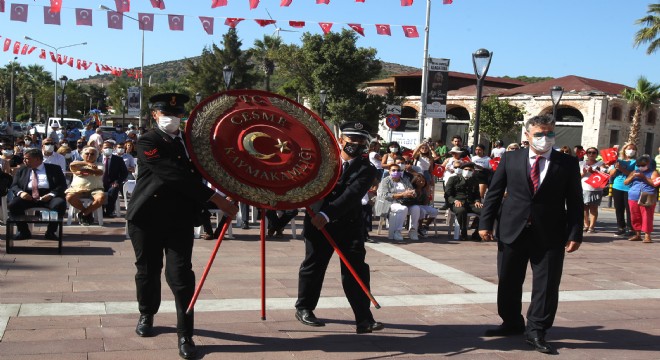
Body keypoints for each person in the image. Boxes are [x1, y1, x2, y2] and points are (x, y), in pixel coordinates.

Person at [127, 93, 238, 359]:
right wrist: (216, 199)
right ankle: (147, 313)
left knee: (181, 276)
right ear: (155, 114)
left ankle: (185, 333)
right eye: (167, 114)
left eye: (178, 115)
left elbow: (214, 166)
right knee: (148, 270)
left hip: (179, 219)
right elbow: (172, 174)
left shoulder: (192, 143)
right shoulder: (147, 140)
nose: (173, 119)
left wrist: (235, 187)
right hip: (147, 217)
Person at [479, 115, 583, 354]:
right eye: (539, 134)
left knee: (546, 285)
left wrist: (575, 233)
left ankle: (537, 330)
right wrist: (485, 223)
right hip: (512, 229)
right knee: (508, 279)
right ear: (527, 135)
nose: (544, 138)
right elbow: (494, 193)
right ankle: (511, 321)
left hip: (550, 233)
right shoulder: (510, 158)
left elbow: (575, 201)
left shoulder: (566, 163)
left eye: (549, 133)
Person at [295, 121, 382, 334]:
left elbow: (351, 195)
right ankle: (304, 308)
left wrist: (327, 214)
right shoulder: (322, 163)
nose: (357, 144)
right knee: (314, 266)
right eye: (353, 139)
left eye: (362, 140)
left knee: (356, 270)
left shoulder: (367, 169)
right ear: (341, 140)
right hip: (317, 223)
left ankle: (364, 318)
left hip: (348, 225)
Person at [8, 148, 68, 240]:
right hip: (28, 196)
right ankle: (23, 231)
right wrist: (21, 193)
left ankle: (51, 232)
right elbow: (14, 185)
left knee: (59, 204)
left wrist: (51, 194)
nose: (24, 161)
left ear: (37, 159)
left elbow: (62, 185)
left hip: (48, 195)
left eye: (27, 158)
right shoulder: (22, 169)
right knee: (13, 205)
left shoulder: (54, 169)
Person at [375, 162, 420, 241]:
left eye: (398, 170)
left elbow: (411, 189)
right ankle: (397, 231)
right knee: (403, 209)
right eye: (393, 170)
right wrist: (402, 194)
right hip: (390, 202)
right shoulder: (385, 181)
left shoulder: (405, 180)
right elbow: (385, 195)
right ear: (389, 171)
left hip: (405, 201)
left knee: (416, 208)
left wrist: (412, 193)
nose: (396, 172)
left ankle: (413, 230)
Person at [65, 147, 106, 226]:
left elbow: (99, 172)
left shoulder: (100, 164)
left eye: (92, 154)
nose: (89, 156)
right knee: (69, 197)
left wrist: (86, 170)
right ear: (82, 155)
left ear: (97, 156)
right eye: (87, 154)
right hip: (77, 189)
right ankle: (87, 212)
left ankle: (84, 213)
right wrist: (88, 164)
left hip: (95, 189)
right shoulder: (77, 163)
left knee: (101, 198)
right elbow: (72, 165)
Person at [624, 155, 658, 243]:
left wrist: (644, 177)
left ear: (648, 164)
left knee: (647, 216)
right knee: (635, 216)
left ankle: (647, 236)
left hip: (647, 195)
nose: (640, 167)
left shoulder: (654, 172)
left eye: (643, 165)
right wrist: (632, 176)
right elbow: (626, 182)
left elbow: (655, 183)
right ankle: (637, 234)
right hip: (633, 196)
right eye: (639, 165)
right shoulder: (634, 171)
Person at [445, 162, 482, 241]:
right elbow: (447, 194)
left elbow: (477, 194)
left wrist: (477, 201)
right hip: (457, 203)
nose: (468, 171)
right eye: (466, 169)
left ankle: (477, 233)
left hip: (471, 203)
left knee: (485, 211)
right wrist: (454, 201)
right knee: (461, 210)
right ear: (462, 170)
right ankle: (463, 232)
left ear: (473, 171)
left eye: (470, 170)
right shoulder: (454, 179)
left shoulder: (474, 180)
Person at [608, 143, 637, 236]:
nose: (631, 151)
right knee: (619, 208)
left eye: (633, 149)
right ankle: (621, 227)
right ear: (624, 150)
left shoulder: (636, 162)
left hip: (630, 187)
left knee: (629, 209)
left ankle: (631, 228)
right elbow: (611, 173)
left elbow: (632, 174)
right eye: (629, 149)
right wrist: (616, 168)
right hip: (617, 186)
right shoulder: (618, 160)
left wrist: (622, 169)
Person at [100, 141, 128, 218]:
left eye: (109, 148)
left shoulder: (118, 159)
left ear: (113, 149)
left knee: (113, 190)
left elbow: (124, 173)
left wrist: (117, 181)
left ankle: (109, 211)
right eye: (105, 147)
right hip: (98, 183)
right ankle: (100, 211)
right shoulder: (97, 158)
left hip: (112, 182)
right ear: (101, 149)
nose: (107, 149)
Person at [580, 147, 604, 233]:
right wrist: (584, 173)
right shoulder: (581, 163)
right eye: (589, 152)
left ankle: (592, 226)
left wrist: (594, 172)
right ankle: (586, 225)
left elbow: (604, 175)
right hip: (584, 188)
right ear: (586, 154)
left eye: (593, 153)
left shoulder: (600, 164)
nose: (591, 154)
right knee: (584, 208)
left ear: (596, 154)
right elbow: (577, 176)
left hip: (595, 189)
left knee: (594, 208)